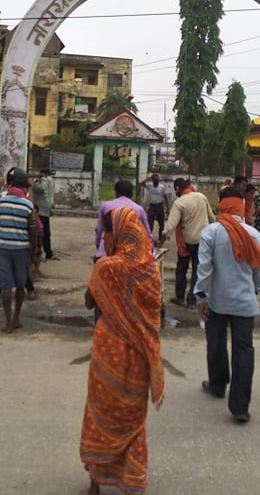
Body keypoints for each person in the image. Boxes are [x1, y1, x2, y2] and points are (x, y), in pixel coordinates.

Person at [80, 206, 165, 495]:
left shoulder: (107, 267)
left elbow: (90, 303)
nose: (105, 235)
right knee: (133, 419)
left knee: (100, 412)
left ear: (118, 232)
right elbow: (155, 313)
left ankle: (95, 484)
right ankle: (132, 481)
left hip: (108, 350)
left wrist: (98, 267)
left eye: (107, 230)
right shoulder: (150, 268)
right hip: (139, 356)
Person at [195, 187, 260, 424]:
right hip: (245, 303)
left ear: (222, 206)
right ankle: (240, 407)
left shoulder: (211, 233)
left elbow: (204, 269)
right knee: (243, 352)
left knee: (215, 345)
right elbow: (259, 271)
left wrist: (201, 297)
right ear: (241, 207)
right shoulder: (254, 235)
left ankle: (217, 385)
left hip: (217, 301)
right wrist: (254, 290)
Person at [0, 167, 38, 333]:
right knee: (19, 286)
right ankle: (17, 318)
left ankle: (8, 322)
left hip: (3, 248)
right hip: (22, 249)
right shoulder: (28, 205)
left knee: (5, 287)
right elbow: (32, 231)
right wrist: (34, 251)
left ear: (10, 184)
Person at [161, 177, 215, 307]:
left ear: (178, 188)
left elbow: (170, 225)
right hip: (203, 240)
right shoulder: (202, 197)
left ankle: (180, 296)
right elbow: (212, 217)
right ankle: (192, 299)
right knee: (197, 270)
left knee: (182, 269)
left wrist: (161, 240)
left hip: (187, 241)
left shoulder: (180, 202)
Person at [95, 179, 150, 259]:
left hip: (107, 251)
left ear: (116, 192)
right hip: (131, 253)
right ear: (131, 194)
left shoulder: (106, 206)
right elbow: (147, 234)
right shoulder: (139, 209)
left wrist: (100, 248)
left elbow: (99, 230)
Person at [31, 167, 56, 261]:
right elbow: (41, 189)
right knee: (40, 234)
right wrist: (43, 179)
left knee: (47, 234)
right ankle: (39, 253)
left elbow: (49, 196)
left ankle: (48, 252)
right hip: (40, 212)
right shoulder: (37, 183)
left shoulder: (47, 182)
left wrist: (50, 208)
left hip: (45, 212)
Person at [141, 173, 167, 240]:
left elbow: (165, 197)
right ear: (152, 180)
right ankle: (149, 237)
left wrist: (168, 208)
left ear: (158, 180)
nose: (156, 179)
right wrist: (148, 178)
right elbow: (141, 183)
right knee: (150, 223)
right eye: (154, 178)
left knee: (161, 223)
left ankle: (160, 237)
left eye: (157, 178)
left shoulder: (162, 187)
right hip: (152, 206)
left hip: (159, 206)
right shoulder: (150, 186)